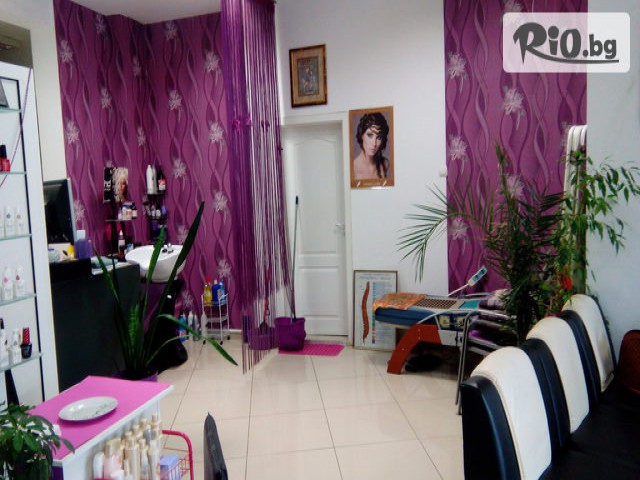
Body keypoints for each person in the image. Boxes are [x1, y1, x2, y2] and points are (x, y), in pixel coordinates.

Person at [353, 112, 390, 181]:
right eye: (370, 135)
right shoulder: (353, 168)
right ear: (362, 135)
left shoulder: (385, 163)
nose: (374, 143)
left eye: (379, 137)